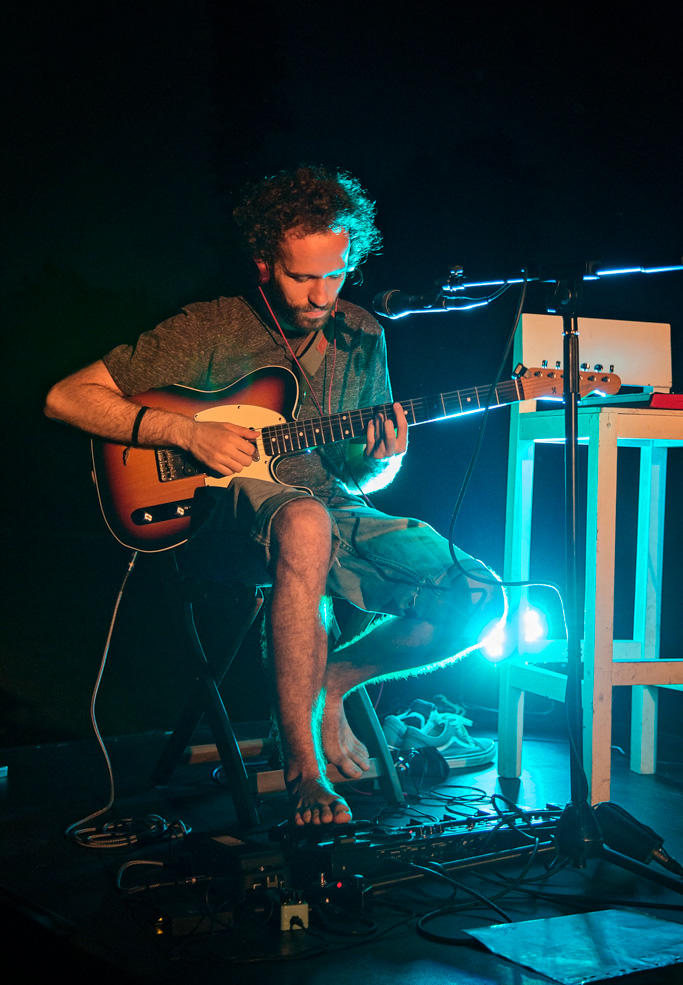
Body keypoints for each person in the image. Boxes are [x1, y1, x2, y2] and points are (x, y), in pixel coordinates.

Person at [44, 165, 505, 826]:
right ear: (264, 264)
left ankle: (331, 682)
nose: (321, 295)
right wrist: (184, 433)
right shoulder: (211, 327)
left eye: (335, 274)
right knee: (304, 520)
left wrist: (383, 458)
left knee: (479, 595)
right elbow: (67, 398)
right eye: (301, 276)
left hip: (331, 510)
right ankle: (303, 772)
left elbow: (357, 477)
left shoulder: (361, 333)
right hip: (223, 521)